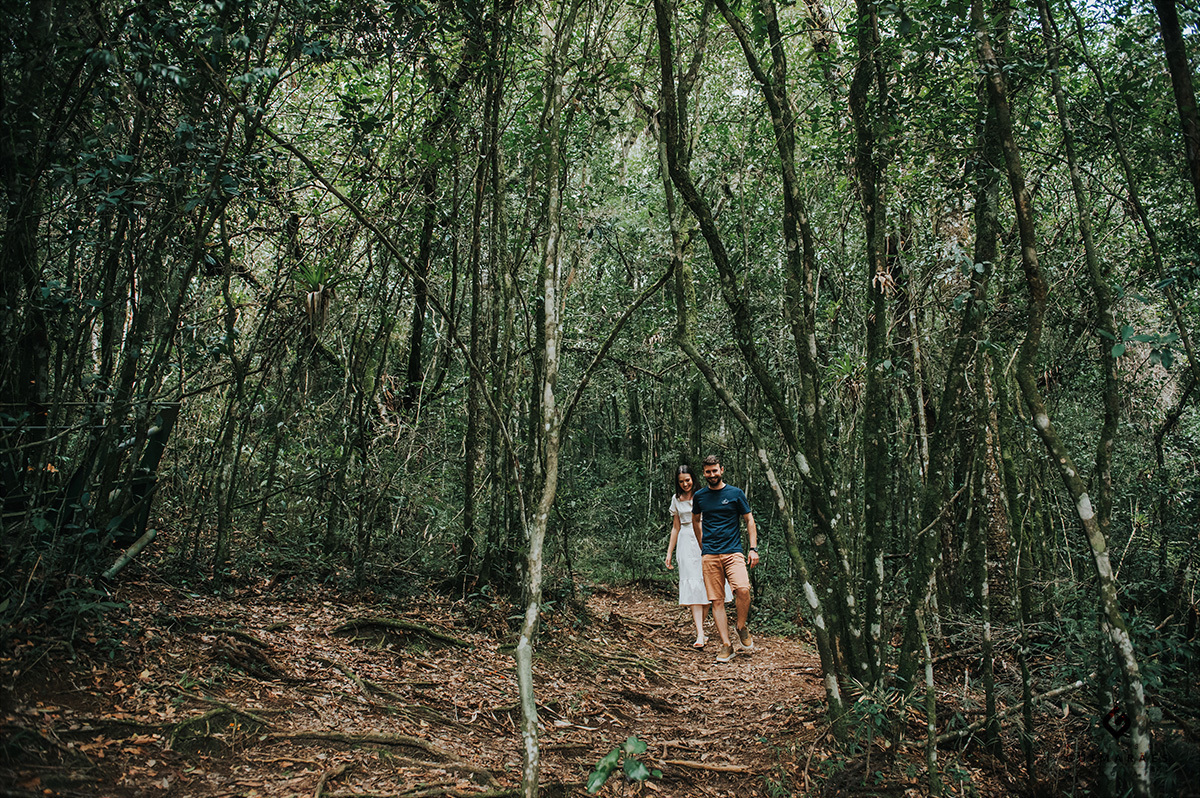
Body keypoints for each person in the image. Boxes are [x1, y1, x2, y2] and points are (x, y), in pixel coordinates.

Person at [693, 454, 759, 663]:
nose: (711, 475)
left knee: (743, 589)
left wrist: (753, 548)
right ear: (704, 473)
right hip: (710, 554)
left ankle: (740, 626)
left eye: (715, 470)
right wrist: (702, 545)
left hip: (733, 552)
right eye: (707, 471)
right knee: (717, 600)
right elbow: (696, 520)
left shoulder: (735, 493)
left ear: (722, 470)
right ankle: (726, 645)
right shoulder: (700, 496)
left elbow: (749, 520)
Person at [665, 464, 731, 648]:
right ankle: (700, 634)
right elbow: (675, 527)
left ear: (693, 478)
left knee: (707, 584)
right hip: (686, 542)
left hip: (706, 538)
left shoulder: (703, 495)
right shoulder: (676, 499)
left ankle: (700, 631)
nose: (685, 484)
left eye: (687, 480)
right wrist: (669, 552)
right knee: (693, 586)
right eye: (681, 482)